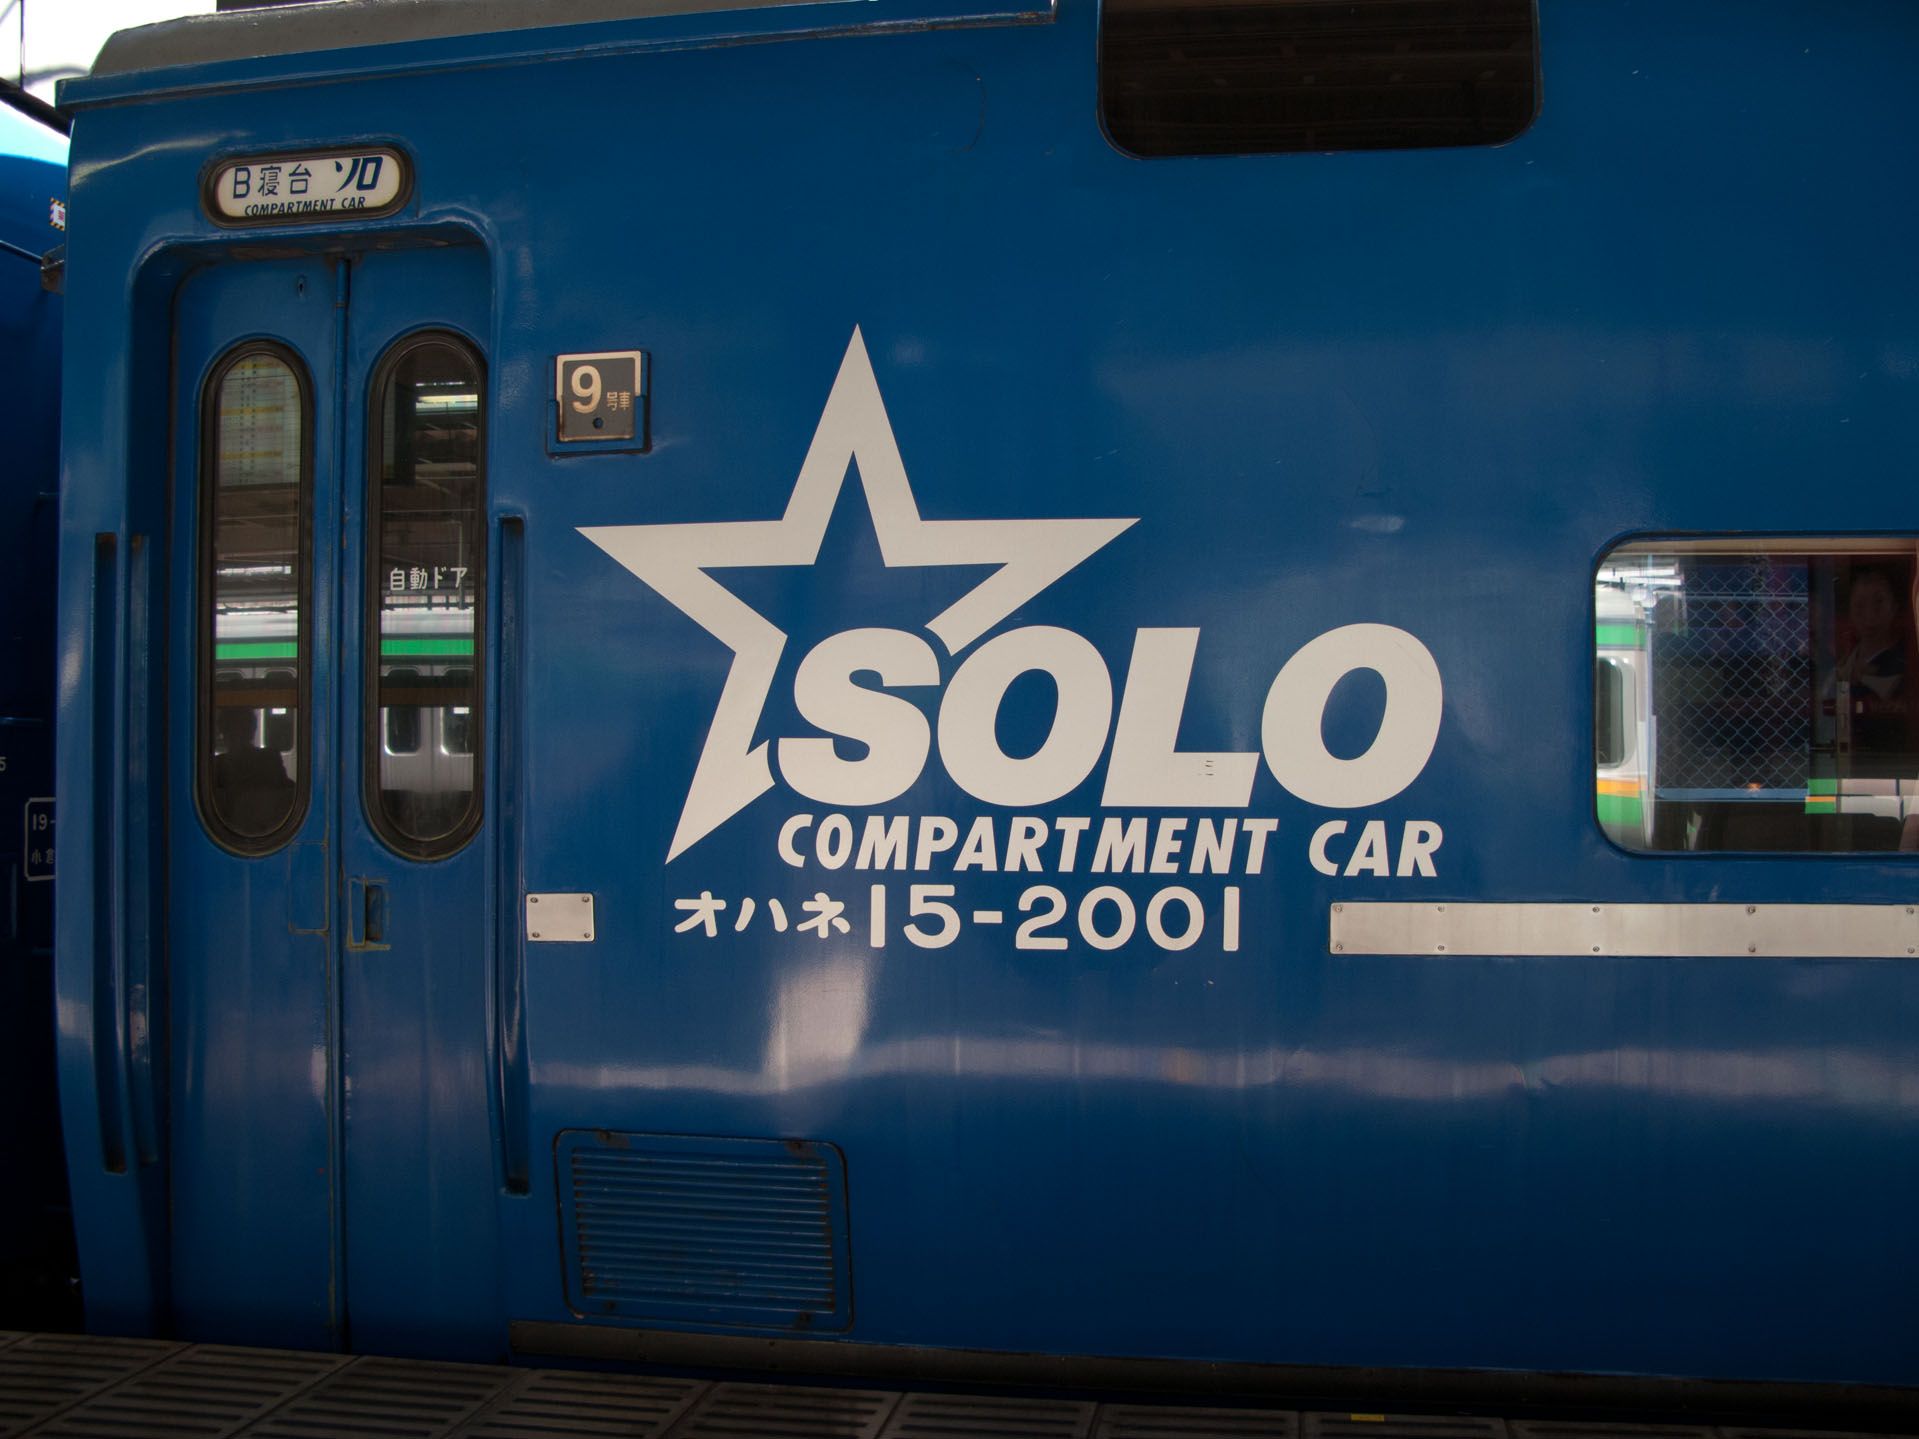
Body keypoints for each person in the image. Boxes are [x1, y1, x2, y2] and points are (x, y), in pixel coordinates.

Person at [209, 704, 294, 836]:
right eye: (233, 730)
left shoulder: (217, 765)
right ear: (253, 730)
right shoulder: (269, 759)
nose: (237, 735)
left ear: (222, 733)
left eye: (240, 730)